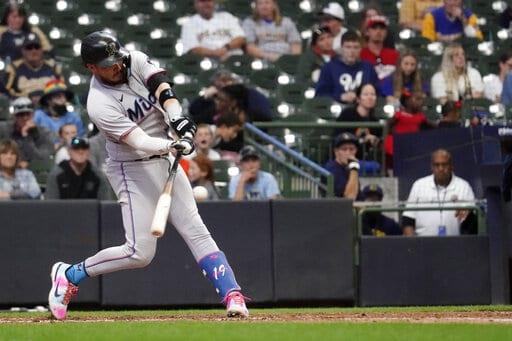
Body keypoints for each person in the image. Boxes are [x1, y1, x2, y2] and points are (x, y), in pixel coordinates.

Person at [47, 31, 248, 321]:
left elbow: (162, 89)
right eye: (107, 64)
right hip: (131, 168)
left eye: (116, 59)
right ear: (91, 67)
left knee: (195, 228)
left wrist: (176, 117)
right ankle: (70, 274)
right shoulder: (98, 103)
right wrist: (173, 144)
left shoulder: (134, 60)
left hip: (165, 159)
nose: (116, 66)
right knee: (140, 253)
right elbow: (139, 141)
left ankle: (233, 295)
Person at [401, 149, 477, 236]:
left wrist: (467, 212)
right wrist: (413, 246)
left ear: (451, 166)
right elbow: (408, 220)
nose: (441, 168)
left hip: (454, 245)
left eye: (444, 165)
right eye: (437, 165)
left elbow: (472, 221)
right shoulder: (419, 185)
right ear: (431, 167)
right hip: (423, 245)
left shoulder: (463, 186)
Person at [315, 30, 380, 104]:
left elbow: (377, 92)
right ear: (342, 48)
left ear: (361, 49)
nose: (352, 51)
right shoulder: (329, 68)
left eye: (356, 47)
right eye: (348, 47)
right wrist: (340, 97)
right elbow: (320, 95)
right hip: (336, 110)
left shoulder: (368, 68)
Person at [189, 70, 273, 124]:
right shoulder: (213, 101)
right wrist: (204, 97)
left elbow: (266, 116)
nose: (223, 84)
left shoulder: (250, 95)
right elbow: (194, 113)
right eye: (220, 81)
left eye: (226, 80)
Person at [45, 137, 112, 200]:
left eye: (84, 148)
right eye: (76, 149)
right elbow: (50, 205)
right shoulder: (56, 175)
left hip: (90, 212)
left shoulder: (98, 176)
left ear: (88, 152)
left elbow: (105, 205)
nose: (80, 152)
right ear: (69, 151)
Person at [4, 33, 61, 102]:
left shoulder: (53, 66)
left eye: (37, 47)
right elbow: (6, 92)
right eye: (29, 48)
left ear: (42, 50)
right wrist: (28, 97)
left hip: (50, 105)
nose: (33, 51)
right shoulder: (13, 68)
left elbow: (62, 89)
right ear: (23, 51)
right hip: (23, 107)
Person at [180, 0, 245, 60]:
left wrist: (225, 48)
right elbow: (193, 49)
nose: (206, 4)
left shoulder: (227, 16)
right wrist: (215, 53)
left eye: (209, 0)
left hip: (234, 59)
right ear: (196, 4)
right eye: (202, 1)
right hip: (207, 63)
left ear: (214, 2)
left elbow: (241, 38)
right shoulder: (189, 23)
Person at [384, 90, 434, 168]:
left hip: (412, 145)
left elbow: (432, 126)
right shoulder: (398, 115)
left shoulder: (421, 116)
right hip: (399, 145)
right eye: (417, 99)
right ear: (407, 101)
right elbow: (388, 125)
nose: (420, 102)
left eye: (421, 100)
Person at [0, 96, 53, 168]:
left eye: (28, 114)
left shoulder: (43, 132)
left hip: (33, 171)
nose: (25, 118)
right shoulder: (4, 129)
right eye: (21, 114)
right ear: (14, 116)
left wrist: (26, 137)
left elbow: (41, 159)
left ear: (33, 114)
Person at [360, 15, 399, 83]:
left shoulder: (395, 55)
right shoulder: (360, 54)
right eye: (374, 28)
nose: (378, 31)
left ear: (386, 32)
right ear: (367, 32)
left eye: (382, 28)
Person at [323, 132, 362, 200]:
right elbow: (350, 198)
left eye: (351, 149)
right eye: (344, 149)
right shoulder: (331, 169)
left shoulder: (350, 168)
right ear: (336, 151)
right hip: (335, 209)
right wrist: (354, 169)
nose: (348, 153)